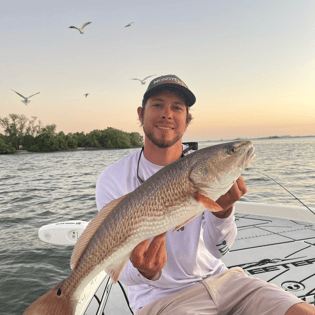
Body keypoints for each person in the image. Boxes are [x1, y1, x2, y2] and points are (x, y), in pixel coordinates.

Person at [96, 75, 315, 315]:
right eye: (158, 104)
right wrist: (143, 271)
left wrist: (224, 212)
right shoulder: (114, 178)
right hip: (160, 298)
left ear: (187, 120)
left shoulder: (206, 168)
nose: (167, 114)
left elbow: (218, 251)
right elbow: (114, 264)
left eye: (177, 108)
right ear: (141, 114)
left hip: (224, 281)